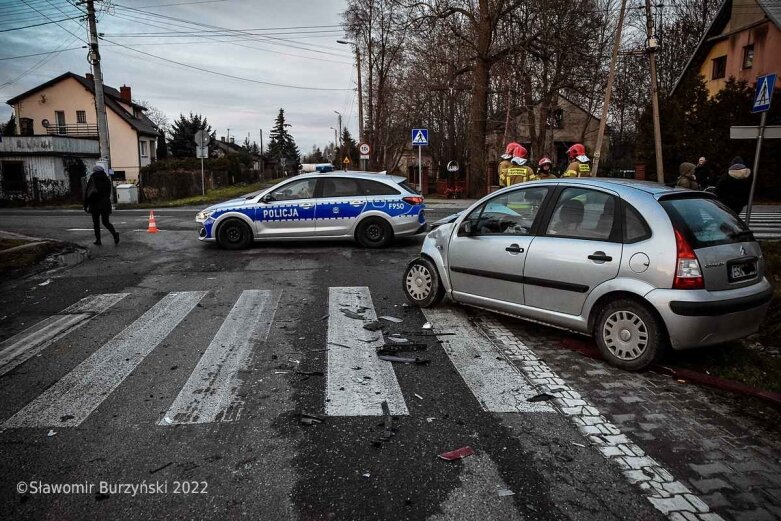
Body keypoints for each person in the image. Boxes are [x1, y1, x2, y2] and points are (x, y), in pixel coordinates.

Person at [84, 165, 119, 245]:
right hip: (105, 203)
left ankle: (98, 240)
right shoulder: (107, 179)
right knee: (105, 221)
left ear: (94, 171)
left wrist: (86, 205)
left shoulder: (93, 179)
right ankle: (115, 234)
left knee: (96, 223)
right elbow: (108, 192)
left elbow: (88, 193)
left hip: (95, 203)